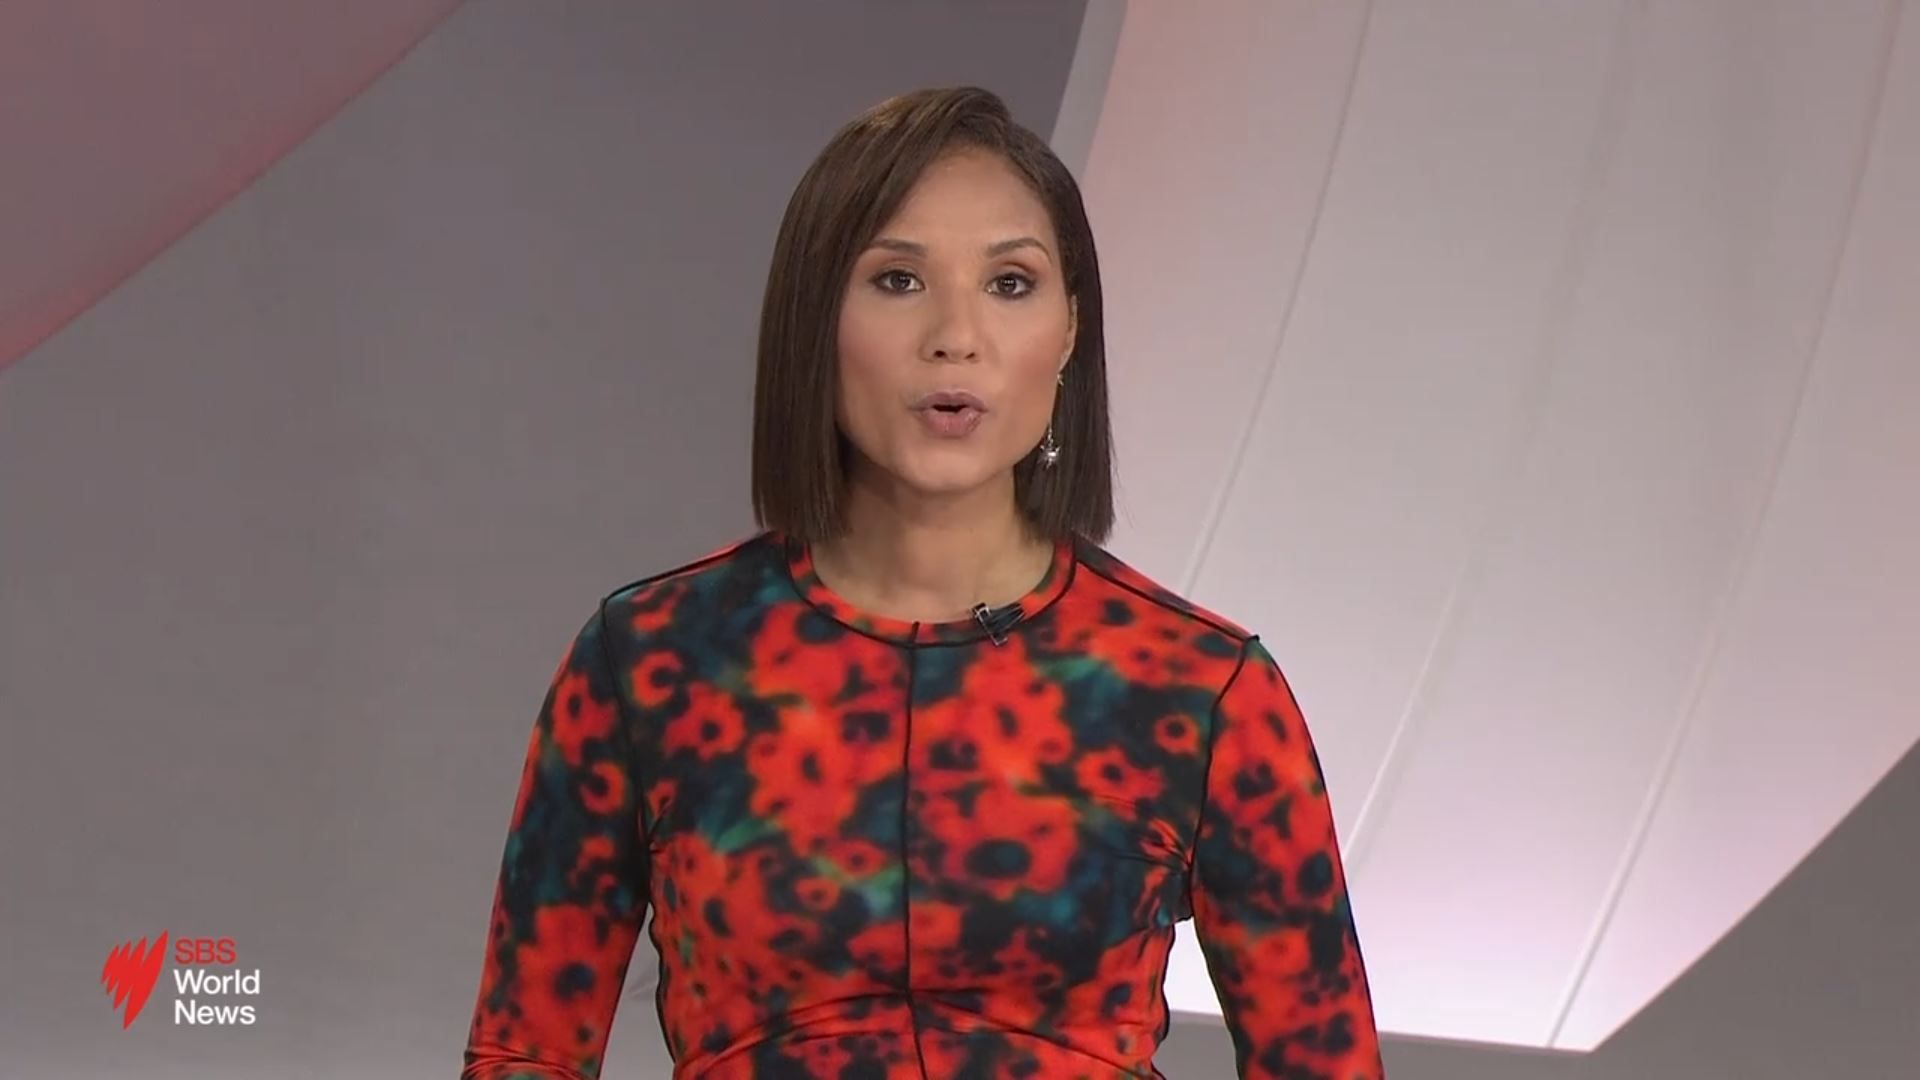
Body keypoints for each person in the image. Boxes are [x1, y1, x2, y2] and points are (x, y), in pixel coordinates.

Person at [461, 85, 1383, 1079]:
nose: (956, 335)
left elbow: (1323, 1063)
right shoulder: (654, 661)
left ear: (1070, 332)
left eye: (1011, 284)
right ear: (816, 318)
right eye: (897, 280)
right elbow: (526, 1052)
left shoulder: (1198, 687)